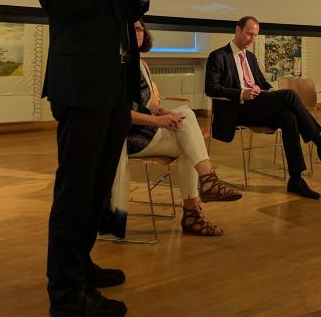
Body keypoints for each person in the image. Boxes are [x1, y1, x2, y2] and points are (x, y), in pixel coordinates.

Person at [40, 0, 155, 317]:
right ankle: (67, 294)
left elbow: (123, 15)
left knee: (97, 188)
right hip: (80, 85)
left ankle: (81, 266)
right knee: (75, 190)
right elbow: (57, 1)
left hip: (114, 87)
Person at [101, 20, 242, 238]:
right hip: (126, 136)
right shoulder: (114, 64)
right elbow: (117, 114)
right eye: (130, 28)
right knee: (188, 139)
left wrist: (164, 112)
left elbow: (150, 105)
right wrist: (158, 121)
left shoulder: (141, 64)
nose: (136, 33)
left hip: (147, 130)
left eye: (139, 28)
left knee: (185, 118)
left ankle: (204, 189)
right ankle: (198, 201)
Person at [205, 16, 321, 200]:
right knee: (289, 95)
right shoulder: (218, 56)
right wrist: (241, 93)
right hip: (238, 109)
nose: (252, 39)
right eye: (249, 34)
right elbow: (211, 89)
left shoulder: (250, 57)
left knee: (288, 116)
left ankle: (296, 179)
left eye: (255, 35)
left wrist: (271, 94)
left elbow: (262, 82)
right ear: (237, 30)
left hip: (257, 104)